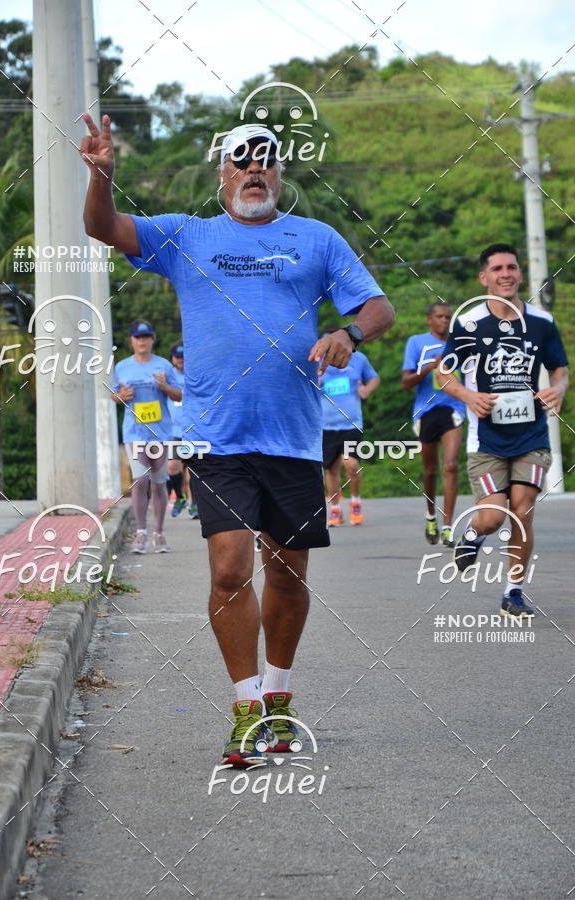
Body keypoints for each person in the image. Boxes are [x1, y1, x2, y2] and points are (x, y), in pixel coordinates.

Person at [81, 115, 394, 766]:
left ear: (278, 172)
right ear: (222, 172)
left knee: (286, 569)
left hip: (293, 436)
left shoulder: (316, 239)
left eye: (266, 159)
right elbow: (104, 228)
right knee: (229, 568)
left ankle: (280, 696)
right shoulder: (186, 236)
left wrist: (349, 336)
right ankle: (245, 705)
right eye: (242, 159)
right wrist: (102, 179)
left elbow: (378, 308)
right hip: (214, 436)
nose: (255, 169)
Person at [436, 243, 568, 619]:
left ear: (520, 274)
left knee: (523, 511)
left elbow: (560, 368)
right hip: (487, 440)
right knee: (494, 518)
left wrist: (557, 389)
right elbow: (444, 372)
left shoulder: (542, 321)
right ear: (484, 278)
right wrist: (467, 395)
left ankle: (514, 592)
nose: (506, 273)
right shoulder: (470, 322)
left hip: (532, 436)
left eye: (512, 267)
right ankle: (474, 535)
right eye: (497, 269)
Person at [111, 320, 182, 553]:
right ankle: (141, 532)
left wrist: (165, 387)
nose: (142, 341)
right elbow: (114, 396)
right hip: (135, 433)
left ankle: (159, 533)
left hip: (160, 433)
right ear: (131, 340)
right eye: (137, 337)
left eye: (146, 337)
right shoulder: (122, 367)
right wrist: (122, 395)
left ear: (153, 339)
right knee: (140, 480)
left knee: (159, 482)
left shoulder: (163, 365)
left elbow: (178, 395)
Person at [402, 303, 465, 547]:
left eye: (448, 317)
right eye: (439, 317)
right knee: (431, 471)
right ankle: (431, 517)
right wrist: (430, 365)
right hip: (425, 410)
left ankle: (448, 526)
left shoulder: (459, 344)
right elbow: (406, 382)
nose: (445, 321)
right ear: (429, 319)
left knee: (451, 466)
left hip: (453, 408)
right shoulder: (417, 343)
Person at [320, 332, 380, 526]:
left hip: (351, 423)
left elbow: (374, 379)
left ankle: (355, 502)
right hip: (326, 425)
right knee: (331, 469)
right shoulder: (317, 364)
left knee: (351, 463)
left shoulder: (358, 359)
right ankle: (335, 509)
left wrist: (366, 390)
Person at [166, 343, 198, 519]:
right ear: (172, 358)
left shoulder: (195, 374)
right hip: (174, 431)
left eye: (184, 357)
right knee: (172, 466)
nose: (181, 360)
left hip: (194, 429)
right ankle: (179, 497)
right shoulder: (167, 375)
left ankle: (195, 504)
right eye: (177, 357)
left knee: (193, 470)